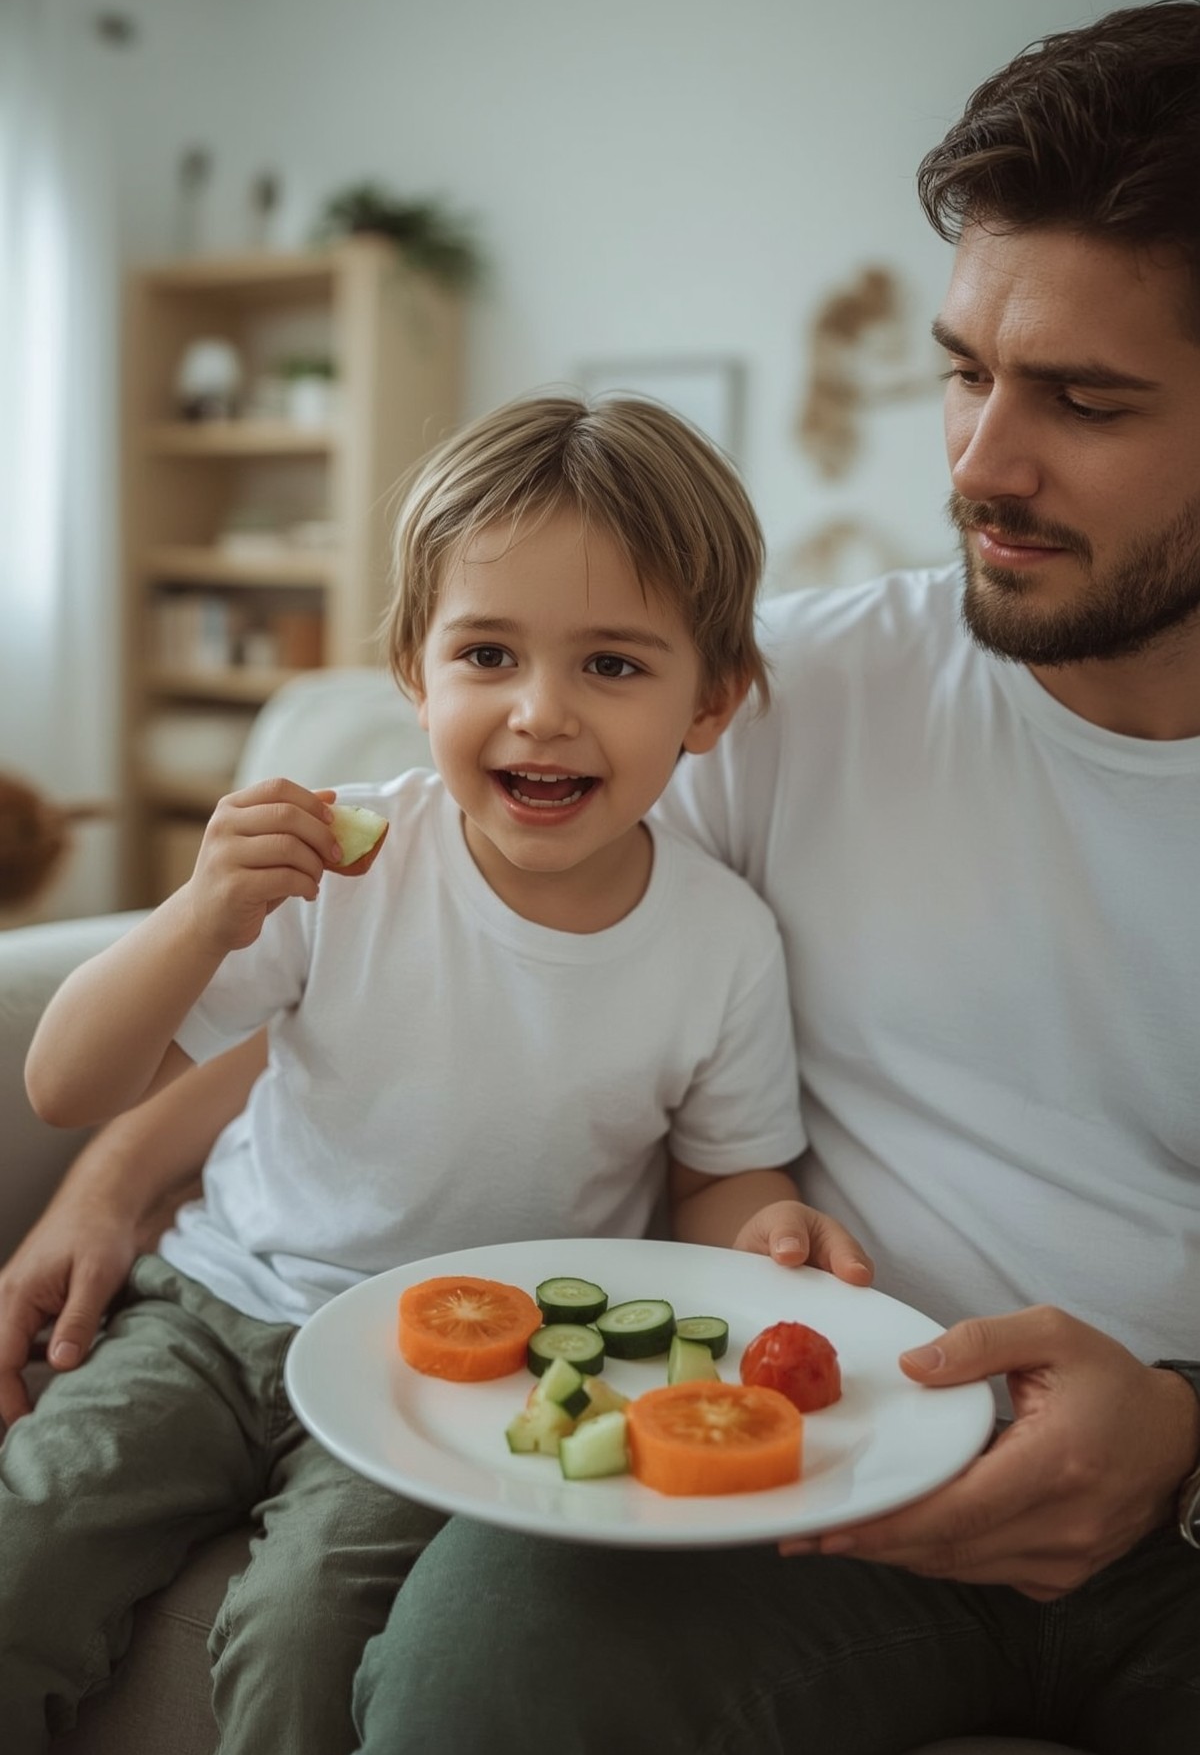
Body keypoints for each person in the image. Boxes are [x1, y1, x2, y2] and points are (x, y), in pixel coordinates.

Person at [333, 0, 1199, 1754]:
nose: (979, 465)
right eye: (964, 371)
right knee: (483, 1663)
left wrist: (1185, 1435)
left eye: (1084, 402)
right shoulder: (780, 697)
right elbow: (388, 909)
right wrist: (119, 1176)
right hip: (806, 1462)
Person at [7, 394, 874, 1755]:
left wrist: (763, 1229)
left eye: (611, 665)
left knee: (300, 1635)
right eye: (488, 652)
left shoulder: (723, 943)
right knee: (20, 1554)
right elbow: (65, 1086)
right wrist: (191, 917)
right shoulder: (347, 867)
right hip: (210, 1309)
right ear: (416, 673)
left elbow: (724, 1176)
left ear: (713, 700)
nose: (541, 712)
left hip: (463, 1374)